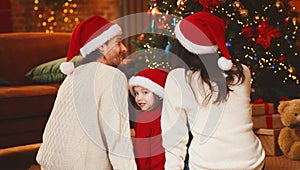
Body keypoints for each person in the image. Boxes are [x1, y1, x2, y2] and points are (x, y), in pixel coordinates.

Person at [161, 12, 265, 170]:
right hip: (252, 163)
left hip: (207, 166)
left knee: (188, 154)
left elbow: (174, 137)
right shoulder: (242, 71)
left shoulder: (178, 79)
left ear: (182, 46)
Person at [36, 15, 137, 170]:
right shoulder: (113, 76)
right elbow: (118, 139)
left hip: (48, 164)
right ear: (101, 46)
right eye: (118, 42)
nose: (124, 48)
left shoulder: (72, 76)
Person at [128, 68, 168, 170]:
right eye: (136, 93)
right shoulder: (166, 114)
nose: (139, 98)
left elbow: (142, 154)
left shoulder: (144, 119)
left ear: (158, 94)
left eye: (145, 92)